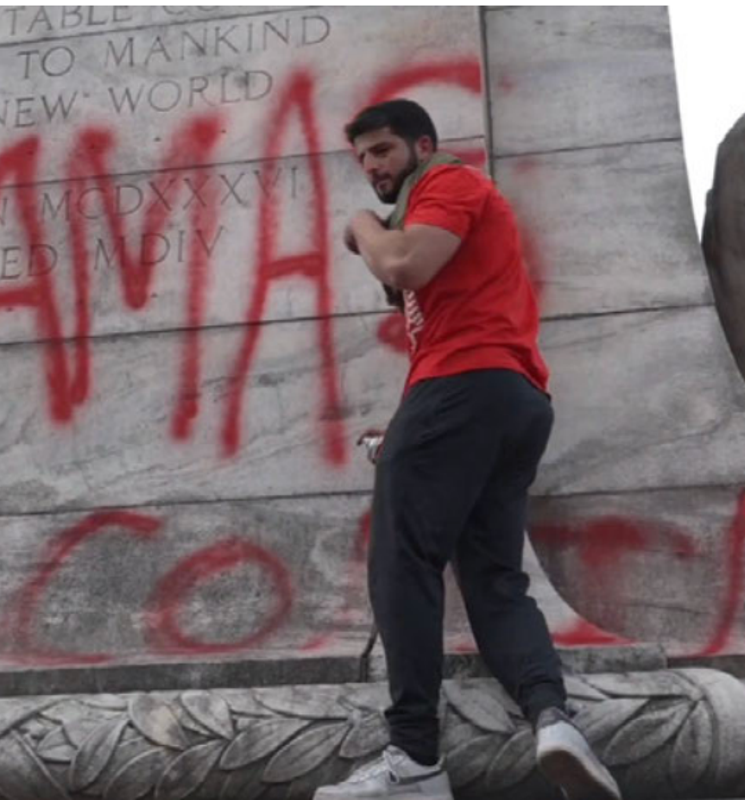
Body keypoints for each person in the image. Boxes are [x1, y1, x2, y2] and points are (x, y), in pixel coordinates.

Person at [312, 100, 620, 800]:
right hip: (507, 400)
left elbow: (405, 264)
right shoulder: (435, 205)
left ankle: (415, 760)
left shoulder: (451, 183)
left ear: (423, 144)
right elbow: (422, 291)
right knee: (493, 579)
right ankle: (552, 717)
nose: (372, 168)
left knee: (401, 561)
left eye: (384, 151)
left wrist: (359, 229)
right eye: (362, 159)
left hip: (465, 386)